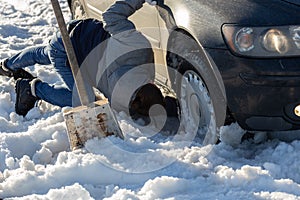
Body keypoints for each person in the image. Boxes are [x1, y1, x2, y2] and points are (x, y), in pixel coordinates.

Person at [0, 0, 177, 121]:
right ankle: (32, 90)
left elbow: (111, 17)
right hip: (68, 46)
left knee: (45, 54)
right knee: (85, 100)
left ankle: (7, 65)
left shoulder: (140, 51)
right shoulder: (120, 99)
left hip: (81, 31)